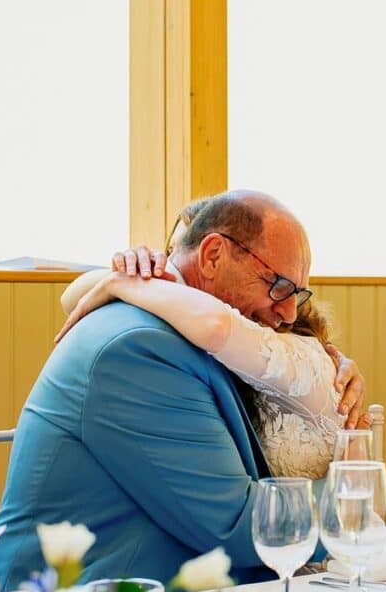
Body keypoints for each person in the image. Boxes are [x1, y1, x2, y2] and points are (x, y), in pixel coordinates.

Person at [0, 191, 321, 588]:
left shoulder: (206, 331)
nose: (288, 312)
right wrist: (353, 500)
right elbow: (236, 526)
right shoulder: (139, 347)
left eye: (296, 294)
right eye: (278, 285)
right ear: (213, 256)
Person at [56, 197, 367, 481]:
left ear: (213, 257)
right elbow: (72, 299)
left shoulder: (271, 342)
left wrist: (122, 284)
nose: (173, 276)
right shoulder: (178, 326)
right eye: (167, 257)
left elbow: (217, 324)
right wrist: (121, 275)